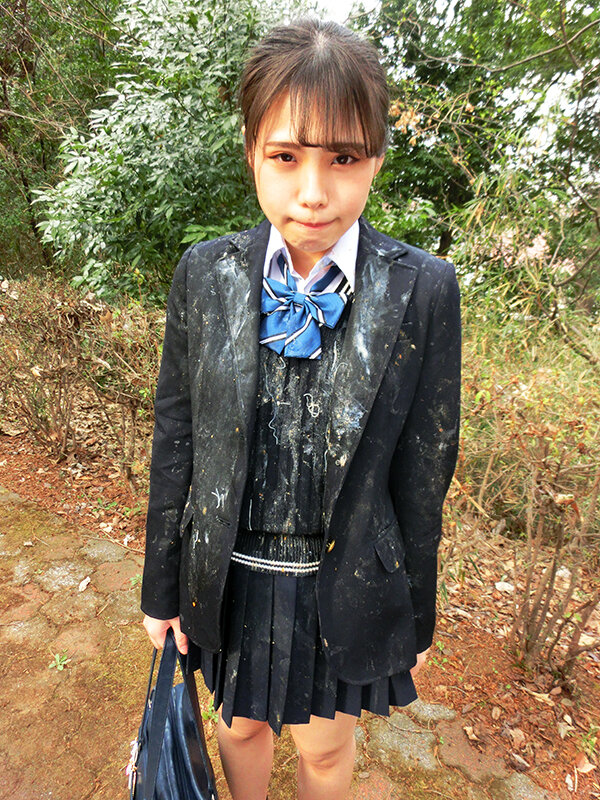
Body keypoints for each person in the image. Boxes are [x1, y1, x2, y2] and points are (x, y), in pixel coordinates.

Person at [141, 17, 460, 800]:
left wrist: (416, 613)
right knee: (240, 725)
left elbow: (426, 470)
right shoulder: (206, 273)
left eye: (343, 158)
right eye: (286, 156)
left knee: (323, 748)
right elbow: (177, 435)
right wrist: (160, 588)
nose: (314, 191)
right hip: (228, 573)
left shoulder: (423, 289)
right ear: (252, 151)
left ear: (375, 158)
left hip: (343, 581)